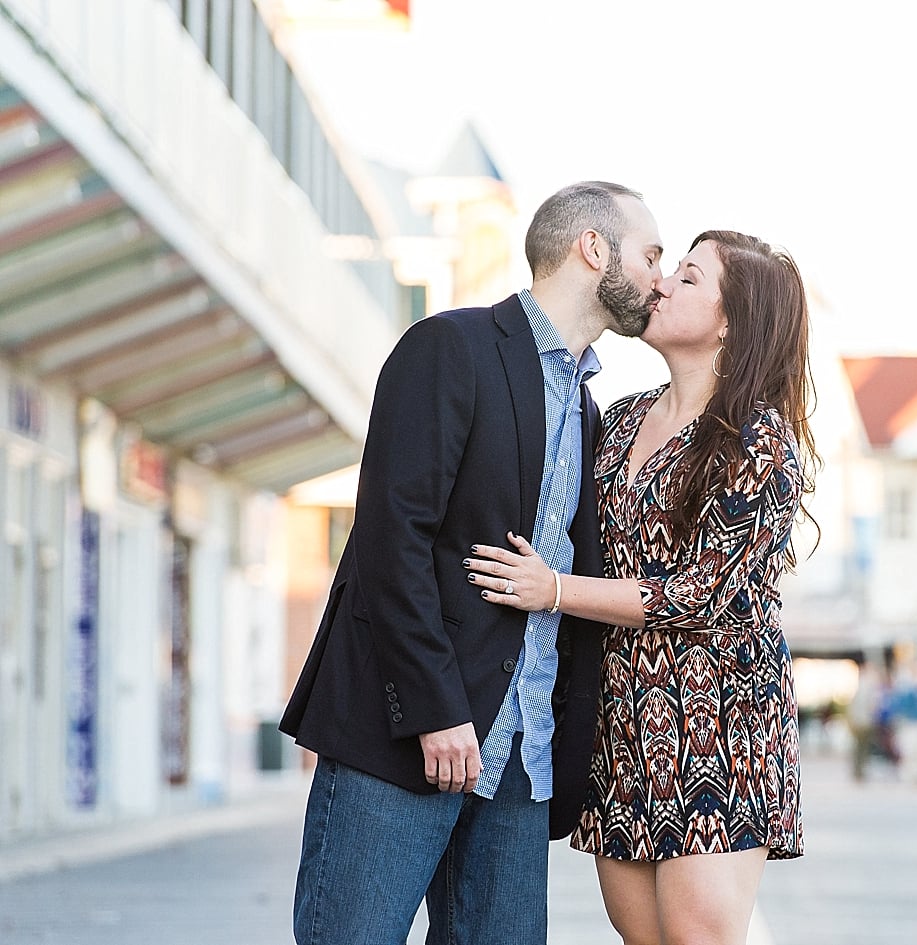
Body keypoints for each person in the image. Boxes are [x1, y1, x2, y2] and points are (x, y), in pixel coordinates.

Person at [278, 181, 664, 945]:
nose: (660, 274)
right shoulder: (448, 348)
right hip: (407, 737)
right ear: (594, 248)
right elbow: (393, 541)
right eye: (651, 253)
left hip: (522, 760)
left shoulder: (588, 408)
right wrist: (435, 710)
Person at [465, 230, 818, 945]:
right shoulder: (620, 418)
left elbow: (697, 593)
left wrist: (553, 589)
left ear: (731, 321)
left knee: (697, 937)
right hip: (622, 718)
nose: (661, 285)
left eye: (688, 279)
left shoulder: (758, 438)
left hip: (718, 721)